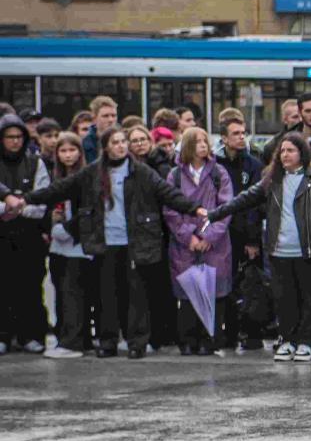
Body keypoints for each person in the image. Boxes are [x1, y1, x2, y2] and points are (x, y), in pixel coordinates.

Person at [9, 126, 204, 359]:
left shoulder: (141, 171)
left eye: (124, 141)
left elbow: (168, 194)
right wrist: (25, 199)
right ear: (106, 147)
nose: (121, 146)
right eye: (116, 142)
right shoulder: (92, 172)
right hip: (104, 241)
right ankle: (108, 341)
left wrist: (195, 209)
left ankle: (136, 342)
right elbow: (58, 189)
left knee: (135, 294)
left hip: (134, 241)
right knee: (106, 295)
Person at [202, 132, 311, 364]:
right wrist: (213, 215)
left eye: (291, 150)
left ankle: (306, 343)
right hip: (279, 251)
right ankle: (287, 341)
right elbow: (243, 199)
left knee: (310, 300)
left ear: (302, 154)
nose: (285, 155)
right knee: (284, 299)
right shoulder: (271, 180)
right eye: (282, 151)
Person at [163, 127, 235, 356]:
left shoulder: (218, 172)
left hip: (215, 244)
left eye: (205, 141)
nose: (203, 145)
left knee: (213, 293)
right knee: (187, 293)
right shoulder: (174, 175)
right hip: (185, 245)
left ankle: (209, 339)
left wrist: (208, 236)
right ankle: (187, 340)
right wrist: (188, 236)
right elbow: (170, 209)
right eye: (197, 142)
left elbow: (226, 207)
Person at [38, 134, 95, 359]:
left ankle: (74, 342)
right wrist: (50, 225)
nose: (68, 155)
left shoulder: (87, 178)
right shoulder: (56, 177)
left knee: (74, 294)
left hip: (77, 245)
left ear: (80, 153)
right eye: (63, 151)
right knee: (61, 291)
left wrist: (64, 229)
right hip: (58, 246)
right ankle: (65, 336)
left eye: (72, 150)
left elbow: (88, 213)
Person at [216, 116, 266, 353]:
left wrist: (253, 239)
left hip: (245, 234)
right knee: (226, 285)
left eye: (243, 132)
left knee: (251, 286)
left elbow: (255, 204)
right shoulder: (216, 165)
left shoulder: (253, 164)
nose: (241, 137)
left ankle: (252, 333)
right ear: (224, 138)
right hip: (222, 234)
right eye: (235, 133)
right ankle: (229, 334)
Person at [0, 114, 48, 353]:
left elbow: (41, 203)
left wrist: (16, 208)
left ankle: (30, 335)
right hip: (2, 236)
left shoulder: (35, 163)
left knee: (30, 288)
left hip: (29, 237)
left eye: (19, 137)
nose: (15, 142)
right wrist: (9, 207)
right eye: (9, 137)